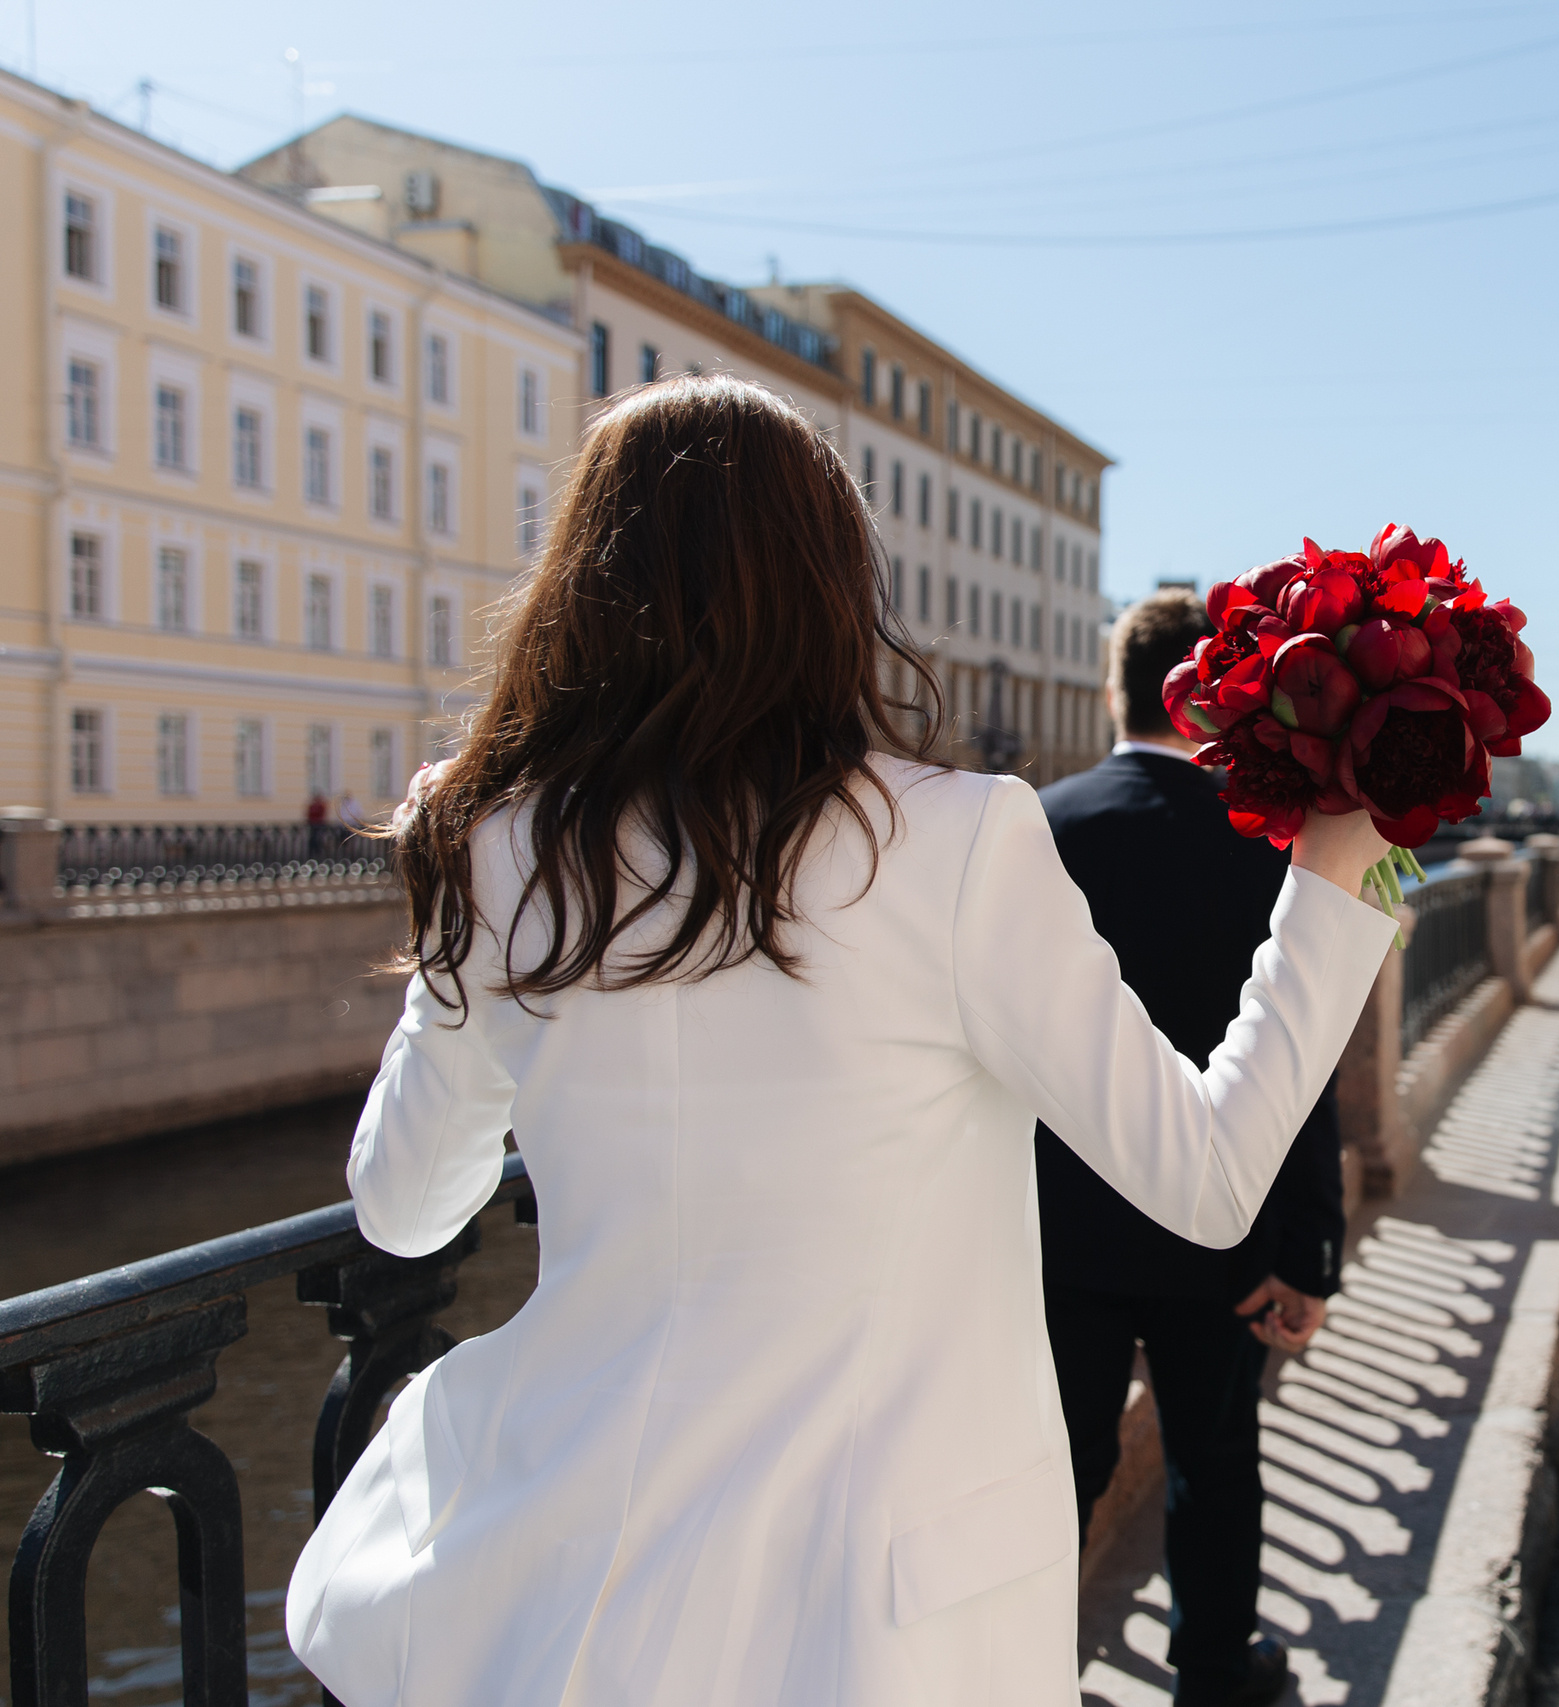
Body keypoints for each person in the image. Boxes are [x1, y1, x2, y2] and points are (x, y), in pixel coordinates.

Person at [284, 375, 1397, 1707]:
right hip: (887, 1605)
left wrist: (453, 883)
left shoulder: (503, 846)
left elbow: (406, 1210)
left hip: (580, 1569)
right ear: (830, 586)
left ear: (580, 578)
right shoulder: (957, 837)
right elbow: (1209, 1180)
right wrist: (1341, 875)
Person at [1037, 591, 1343, 1707]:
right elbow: (1301, 1059)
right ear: (1212, 702)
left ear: (1115, 690)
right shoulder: (1264, 842)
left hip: (1057, 1229)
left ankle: (1016, 1672)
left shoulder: (1040, 827)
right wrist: (1310, 1247)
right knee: (1214, 1462)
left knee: (1054, 1471)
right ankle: (1214, 1672)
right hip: (1222, 1220)